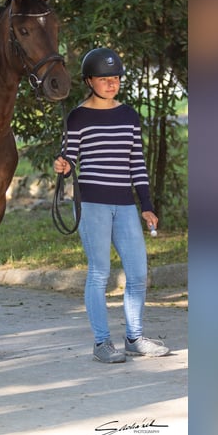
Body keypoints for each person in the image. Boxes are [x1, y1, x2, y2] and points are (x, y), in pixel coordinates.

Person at [53, 47, 169, 363]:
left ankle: (134, 338)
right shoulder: (77, 117)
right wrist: (63, 165)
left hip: (125, 205)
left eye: (115, 78)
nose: (111, 83)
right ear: (90, 81)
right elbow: (70, 157)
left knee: (137, 273)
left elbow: (137, 163)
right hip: (92, 204)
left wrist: (146, 205)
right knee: (100, 272)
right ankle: (102, 342)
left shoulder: (129, 115)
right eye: (104, 79)